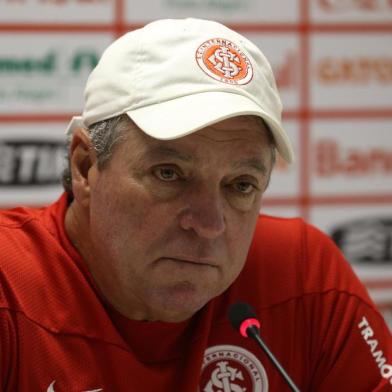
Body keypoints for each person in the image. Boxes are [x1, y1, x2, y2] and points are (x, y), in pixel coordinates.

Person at [0, 18, 391, 392]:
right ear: (85, 166)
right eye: (169, 173)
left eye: (240, 185)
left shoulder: (303, 277)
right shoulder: (10, 285)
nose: (208, 223)